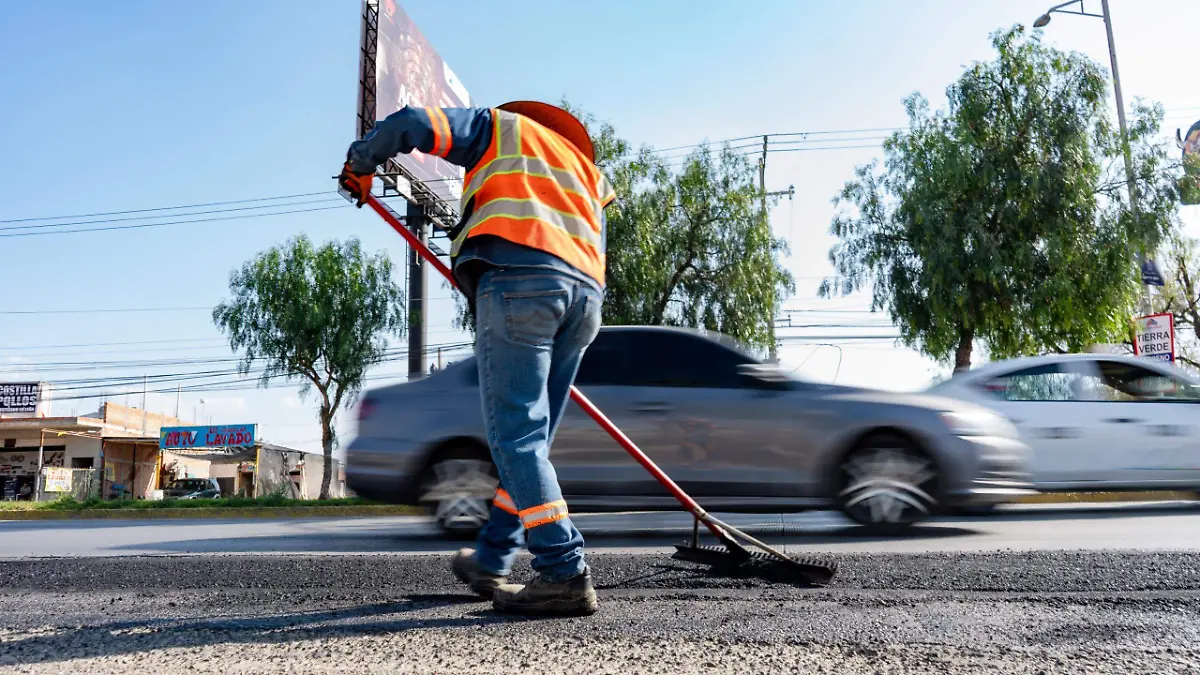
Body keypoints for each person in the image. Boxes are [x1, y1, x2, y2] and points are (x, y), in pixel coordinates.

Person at [339, 101, 614, 616]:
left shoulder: (500, 127)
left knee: (517, 438)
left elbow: (413, 124)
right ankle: (493, 557)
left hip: (520, 280)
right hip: (585, 300)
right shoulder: (586, 171)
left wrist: (361, 162)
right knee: (530, 444)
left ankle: (564, 570)